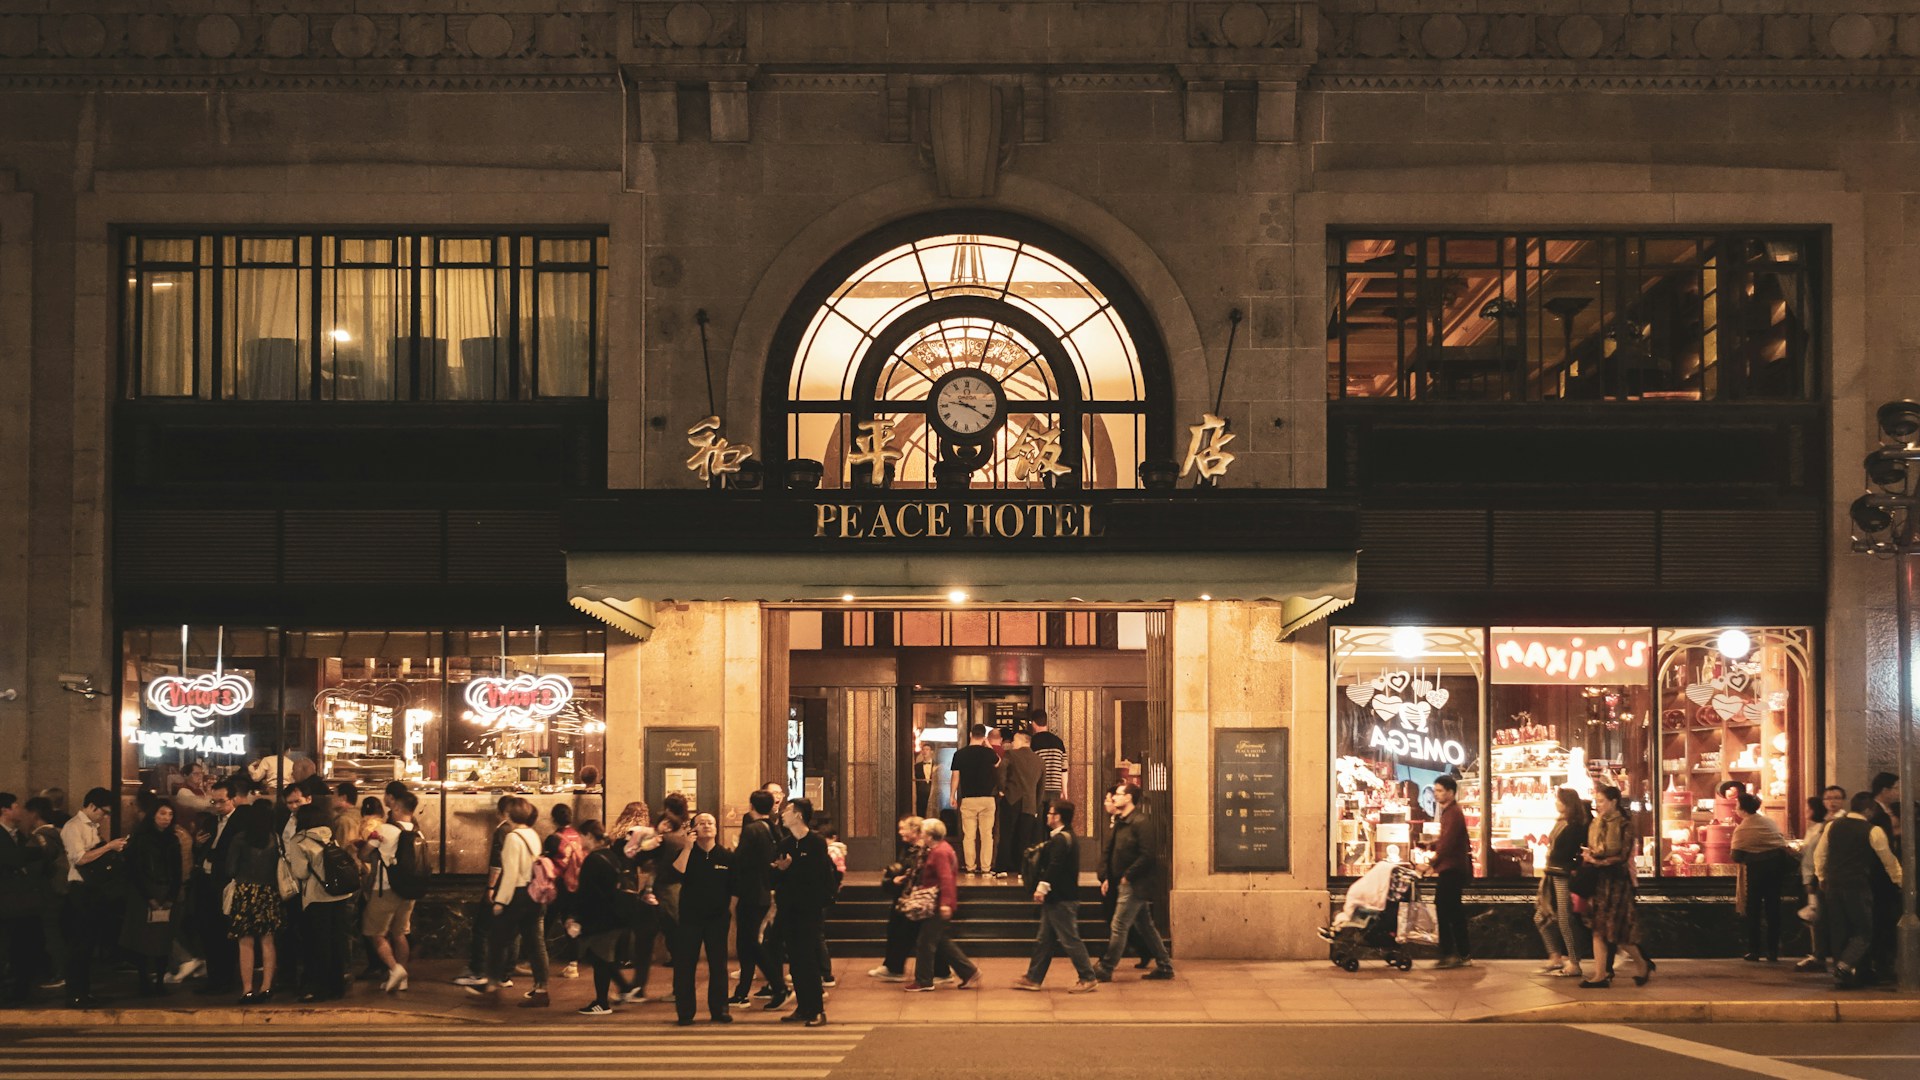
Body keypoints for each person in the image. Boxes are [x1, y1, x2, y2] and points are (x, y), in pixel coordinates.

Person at [468, 796, 551, 1007]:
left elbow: (511, 874)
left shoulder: (513, 837)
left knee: (498, 942)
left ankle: (492, 988)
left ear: (510, 814)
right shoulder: (533, 834)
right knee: (535, 943)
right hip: (534, 895)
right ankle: (541, 989)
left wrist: (500, 901)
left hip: (518, 895)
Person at [1815, 790, 1904, 988]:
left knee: (1840, 930)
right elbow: (1888, 860)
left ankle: (1842, 976)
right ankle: (1845, 965)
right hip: (1857, 885)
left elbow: (1820, 854)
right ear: (1868, 810)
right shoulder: (1873, 830)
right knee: (1864, 930)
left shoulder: (1832, 826)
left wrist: (1822, 877)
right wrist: (1900, 880)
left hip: (1833, 884)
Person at [1012, 800, 1098, 993]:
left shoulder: (1061, 839)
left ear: (1057, 817)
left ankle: (1088, 977)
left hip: (1062, 899)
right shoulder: (1066, 837)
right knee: (1044, 940)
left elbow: (1055, 867)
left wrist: (1041, 888)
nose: (1048, 816)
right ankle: (1034, 978)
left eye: (1050, 813)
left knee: (1070, 939)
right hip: (1058, 898)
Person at [1092, 783, 1174, 982]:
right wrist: (1107, 878)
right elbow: (1114, 852)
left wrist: (1128, 875)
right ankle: (1164, 966)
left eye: (1118, 795)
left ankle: (1107, 966)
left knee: (1119, 925)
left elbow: (1148, 855)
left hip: (1135, 884)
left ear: (1128, 798)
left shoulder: (1140, 822)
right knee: (1146, 926)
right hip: (1123, 881)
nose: (1114, 798)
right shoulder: (1121, 821)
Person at [1580, 784, 1654, 988]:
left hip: (1618, 882)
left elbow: (1622, 855)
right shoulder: (1595, 823)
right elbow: (1594, 848)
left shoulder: (1624, 825)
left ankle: (1641, 963)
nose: (1598, 805)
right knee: (1598, 929)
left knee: (1617, 932)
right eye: (1597, 802)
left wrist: (1598, 861)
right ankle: (1600, 975)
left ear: (1614, 802)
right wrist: (1589, 855)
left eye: (1602, 801)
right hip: (1598, 881)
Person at [59, 787, 126, 1008]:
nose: (104, 816)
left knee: (88, 943)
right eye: (103, 812)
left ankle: (84, 991)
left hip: (93, 890)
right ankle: (75, 993)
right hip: (79, 889)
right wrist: (108, 846)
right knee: (79, 943)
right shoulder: (73, 827)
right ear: (91, 806)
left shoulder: (93, 827)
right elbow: (79, 859)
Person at [771, 797, 833, 1026]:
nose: (782, 814)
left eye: (787, 810)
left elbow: (818, 876)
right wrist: (781, 870)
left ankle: (817, 1009)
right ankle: (803, 1008)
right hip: (788, 908)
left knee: (808, 959)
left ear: (798, 815)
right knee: (795, 960)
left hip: (809, 910)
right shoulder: (785, 843)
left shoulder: (815, 842)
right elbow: (773, 876)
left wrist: (791, 867)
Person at [669, 813, 734, 1025]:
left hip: (717, 918)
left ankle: (720, 1009)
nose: (707, 826)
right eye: (702, 823)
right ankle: (685, 1012)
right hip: (690, 918)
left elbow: (735, 887)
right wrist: (687, 846)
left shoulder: (725, 856)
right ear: (693, 829)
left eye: (711, 823)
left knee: (718, 965)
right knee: (685, 965)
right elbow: (677, 873)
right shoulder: (686, 853)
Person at [286, 802, 350, 1002]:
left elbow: (300, 872)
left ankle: (319, 987)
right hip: (340, 896)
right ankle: (337, 986)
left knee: (318, 943)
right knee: (337, 940)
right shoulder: (329, 835)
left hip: (317, 897)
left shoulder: (300, 840)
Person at [905, 816, 978, 993]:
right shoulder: (940, 849)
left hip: (936, 902)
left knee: (925, 942)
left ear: (930, 835)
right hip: (936, 902)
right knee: (939, 941)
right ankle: (968, 971)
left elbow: (946, 878)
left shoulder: (939, 853)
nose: (920, 835)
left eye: (923, 832)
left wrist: (945, 903)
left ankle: (924, 981)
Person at [569, 821, 632, 1015]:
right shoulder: (611, 855)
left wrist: (576, 918)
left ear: (588, 835)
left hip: (601, 918)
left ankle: (601, 1003)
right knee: (603, 957)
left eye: (580, 836)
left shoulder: (593, 860)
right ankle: (625, 988)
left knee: (600, 959)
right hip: (616, 915)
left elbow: (586, 893)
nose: (579, 841)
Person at [455, 795, 517, 987]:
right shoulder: (518, 832)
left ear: (499, 813)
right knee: (510, 932)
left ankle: (478, 971)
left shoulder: (501, 831)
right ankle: (505, 974)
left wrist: (490, 887)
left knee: (481, 929)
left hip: (499, 886)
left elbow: (496, 862)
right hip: (513, 886)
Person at [224, 801, 284, 1003]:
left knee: (245, 942)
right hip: (268, 892)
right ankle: (267, 986)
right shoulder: (275, 839)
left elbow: (230, 869)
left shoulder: (240, 839)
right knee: (268, 941)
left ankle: (247, 989)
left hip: (245, 892)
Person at [189, 776, 243, 996]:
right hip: (206, 881)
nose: (218, 806)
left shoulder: (239, 822)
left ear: (233, 800)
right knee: (208, 931)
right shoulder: (210, 822)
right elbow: (201, 849)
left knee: (225, 933)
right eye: (214, 802)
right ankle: (214, 978)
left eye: (222, 801)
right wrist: (197, 845)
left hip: (225, 882)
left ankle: (227, 978)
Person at [362, 790, 420, 993]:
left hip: (384, 889)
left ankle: (395, 970)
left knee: (376, 934)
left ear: (396, 807)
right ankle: (402, 978)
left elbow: (364, 854)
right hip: (408, 890)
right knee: (400, 933)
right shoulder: (417, 831)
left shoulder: (384, 830)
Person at [610, 801, 663, 1003]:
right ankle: (636, 986)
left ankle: (628, 982)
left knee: (621, 935)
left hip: (620, 891)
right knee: (644, 943)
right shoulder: (646, 838)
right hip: (642, 894)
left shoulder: (617, 836)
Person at [1534, 786, 1588, 978]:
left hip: (1563, 876)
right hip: (1551, 874)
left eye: (1559, 800)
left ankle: (1574, 962)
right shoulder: (1560, 822)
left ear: (1568, 803)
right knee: (1541, 917)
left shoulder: (1575, 825)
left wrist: (1571, 864)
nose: (1556, 803)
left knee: (1565, 920)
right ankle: (1555, 956)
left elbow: (1577, 851)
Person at [729, 789, 777, 1004]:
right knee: (750, 942)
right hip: (765, 891)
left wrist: (734, 850)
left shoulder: (751, 830)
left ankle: (778, 985)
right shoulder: (772, 829)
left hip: (750, 893)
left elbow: (740, 861)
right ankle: (742, 991)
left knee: (748, 943)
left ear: (751, 806)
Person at [1733, 792, 1791, 962]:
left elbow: (1735, 855)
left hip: (1756, 871)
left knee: (1754, 910)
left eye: (1737, 805)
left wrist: (1752, 855)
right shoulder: (1769, 821)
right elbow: (1780, 843)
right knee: (1773, 909)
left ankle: (1754, 950)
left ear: (1742, 808)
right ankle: (1773, 951)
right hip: (1776, 870)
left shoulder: (1743, 828)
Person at [0, 793, 46, 1004]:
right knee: (9, 946)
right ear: (5, 810)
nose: (19, 810)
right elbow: (15, 859)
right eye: (15, 806)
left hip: (22, 902)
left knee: (23, 946)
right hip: (8, 900)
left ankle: (21, 989)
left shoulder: (20, 835)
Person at [20, 797, 67, 994]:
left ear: (34, 814)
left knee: (51, 932)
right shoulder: (58, 832)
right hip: (62, 889)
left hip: (47, 890)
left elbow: (34, 869)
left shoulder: (38, 837)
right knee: (58, 931)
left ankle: (59, 972)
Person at [869, 815, 925, 983]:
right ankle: (892, 966)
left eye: (903, 828)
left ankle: (895, 968)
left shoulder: (921, 851)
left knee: (905, 934)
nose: (900, 832)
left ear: (915, 830)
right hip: (904, 896)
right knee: (896, 930)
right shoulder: (908, 848)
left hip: (912, 897)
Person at [1425, 775, 1472, 970]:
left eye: (1440, 791)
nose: (1436, 794)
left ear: (1451, 793)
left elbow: (1449, 842)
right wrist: (1432, 844)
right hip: (1451, 868)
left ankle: (1450, 953)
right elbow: (1446, 840)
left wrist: (1432, 861)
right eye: (1435, 790)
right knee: (1453, 911)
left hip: (1452, 869)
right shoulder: (1449, 812)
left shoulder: (1453, 813)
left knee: (1444, 909)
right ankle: (1462, 953)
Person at [1797, 786, 1845, 973]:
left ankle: (1831, 957)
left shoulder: (1843, 822)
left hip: (1831, 877)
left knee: (1830, 918)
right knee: (1820, 918)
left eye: (1836, 798)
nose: (1832, 802)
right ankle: (1820, 955)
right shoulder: (1823, 823)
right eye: (1828, 798)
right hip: (1819, 878)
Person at [1865, 771, 1903, 982]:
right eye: (1896, 788)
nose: (1898, 792)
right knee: (1881, 921)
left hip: (1882, 877)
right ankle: (1880, 966)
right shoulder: (1875, 813)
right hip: (1879, 877)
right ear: (1885, 790)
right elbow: (1882, 848)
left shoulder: (1885, 811)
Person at [950, 725, 1000, 876]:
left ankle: (970, 867)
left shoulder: (960, 754)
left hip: (968, 799)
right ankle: (985, 868)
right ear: (984, 736)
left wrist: (952, 795)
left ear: (971, 734)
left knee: (969, 836)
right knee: (986, 835)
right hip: (987, 799)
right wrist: (989, 745)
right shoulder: (989, 753)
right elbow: (998, 762)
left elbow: (955, 776)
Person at [997, 730, 1046, 881]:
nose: (1012, 743)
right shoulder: (1039, 760)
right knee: (1025, 837)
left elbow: (1001, 772)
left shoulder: (1011, 755)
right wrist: (1036, 805)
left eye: (1015, 740)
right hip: (1030, 803)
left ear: (1024, 741)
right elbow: (1041, 786)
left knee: (1006, 834)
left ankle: (1002, 869)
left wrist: (1001, 789)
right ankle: (1022, 870)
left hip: (1012, 799)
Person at [546, 803, 585, 980]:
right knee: (571, 923)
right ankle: (573, 965)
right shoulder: (579, 837)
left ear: (554, 819)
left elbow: (546, 863)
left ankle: (535, 960)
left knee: (544, 922)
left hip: (558, 886)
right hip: (576, 887)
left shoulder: (554, 839)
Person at [1028, 711, 1068, 809]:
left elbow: (1030, 767)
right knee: (1052, 818)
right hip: (1055, 789)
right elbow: (1064, 769)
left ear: (1033, 723)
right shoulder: (1059, 742)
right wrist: (1064, 791)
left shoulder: (1032, 742)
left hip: (1039, 788)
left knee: (1039, 821)